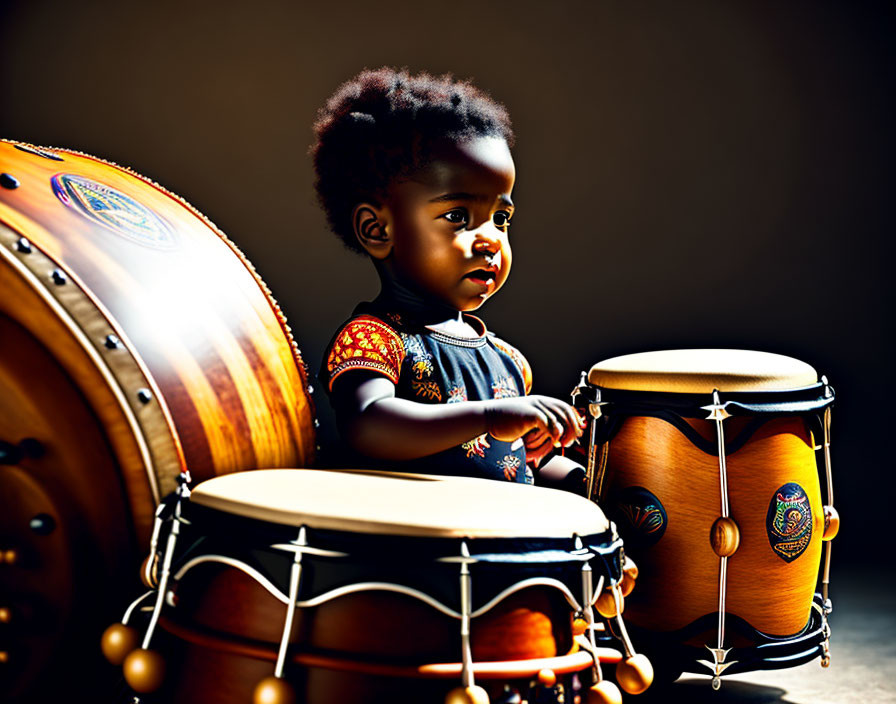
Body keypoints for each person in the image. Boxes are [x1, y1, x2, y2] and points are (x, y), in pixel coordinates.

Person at [313, 67, 585, 492]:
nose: (491, 240)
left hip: (497, 548)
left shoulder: (510, 361)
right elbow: (367, 423)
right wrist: (492, 417)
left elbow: (520, 464)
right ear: (377, 230)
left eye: (501, 219)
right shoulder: (374, 338)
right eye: (458, 216)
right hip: (416, 550)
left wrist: (582, 476)